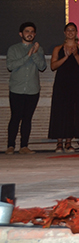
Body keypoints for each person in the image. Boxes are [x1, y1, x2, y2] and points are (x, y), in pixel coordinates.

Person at [6, 22, 47, 155]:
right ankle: (10, 146)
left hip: (32, 89)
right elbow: (10, 66)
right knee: (15, 117)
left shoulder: (39, 49)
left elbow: (42, 66)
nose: (30, 34)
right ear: (21, 34)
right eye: (27, 31)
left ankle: (24, 146)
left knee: (27, 118)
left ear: (35, 34)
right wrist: (28, 55)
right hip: (16, 89)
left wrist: (34, 53)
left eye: (32, 32)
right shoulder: (13, 49)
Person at [48, 22, 79, 152]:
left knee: (72, 111)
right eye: (68, 30)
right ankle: (59, 143)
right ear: (65, 33)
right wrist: (65, 57)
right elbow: (53, 66)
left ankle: (68, 143)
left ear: (76, 33)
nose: (70, 32)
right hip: (61, 83)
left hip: (75, 83)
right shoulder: (58, 48)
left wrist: (75, 55)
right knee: (59, 111)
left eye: (73, 30)